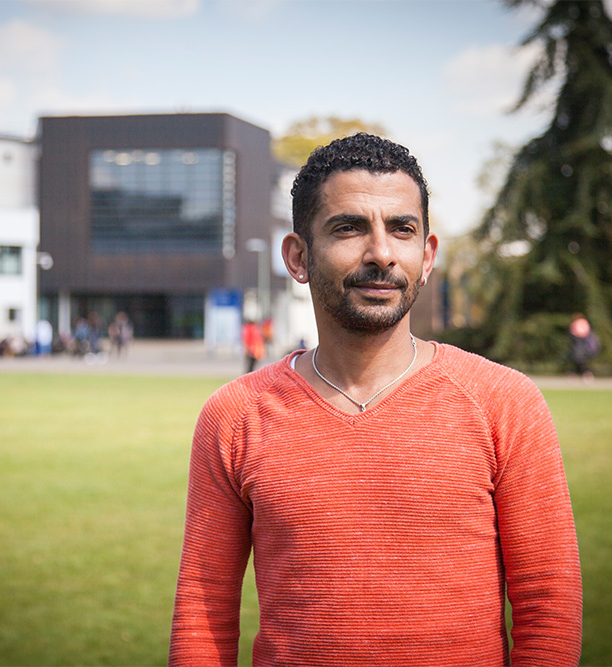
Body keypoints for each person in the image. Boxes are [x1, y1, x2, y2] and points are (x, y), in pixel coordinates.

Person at [169, 133, 582, 665]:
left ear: (427, 255)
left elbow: (548, 607)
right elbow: (204, 612)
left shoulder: (506, 402)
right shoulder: (234, 415)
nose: (382, 253)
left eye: (402, 230)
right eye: (349, 228)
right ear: (298, 257)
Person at [569, 313, 599, 380]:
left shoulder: (579, 322)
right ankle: (580, 373)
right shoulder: (580, 322)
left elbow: (582, 332)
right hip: (579, 343)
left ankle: (585, 373)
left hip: (582, 343)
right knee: (578, 360)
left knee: (581, 360)